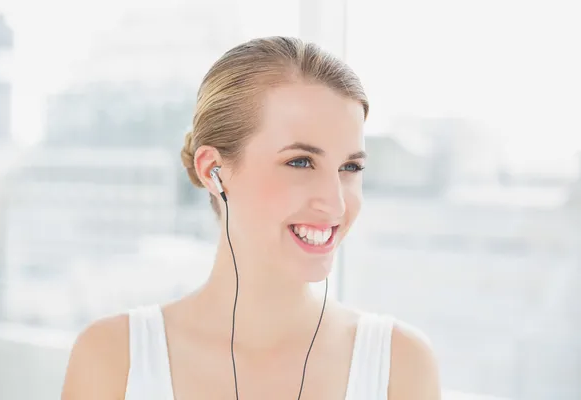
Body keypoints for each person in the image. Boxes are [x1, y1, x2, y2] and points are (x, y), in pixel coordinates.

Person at [61, 36, 441, 400]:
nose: (336, 204)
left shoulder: (400, 364)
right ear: (214, 170)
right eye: (300, 162)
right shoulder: (114, 359)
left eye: (350, 167)